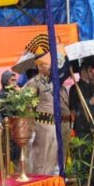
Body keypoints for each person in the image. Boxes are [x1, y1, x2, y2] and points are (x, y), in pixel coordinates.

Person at [24, 35, 60, 175]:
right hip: (41, 123)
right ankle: (38, 181)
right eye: (46, 63)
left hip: (52, 123)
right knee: (40, 156)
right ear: (39, 66)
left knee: (52, 155)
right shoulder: (34, 83)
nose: (50, 65)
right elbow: (27, 105)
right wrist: (30, 126)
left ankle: (48, 182)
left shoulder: (51, 82)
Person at [0, 70, 22, 165]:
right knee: (6, 154)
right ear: (6, 81)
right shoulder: (0, 95)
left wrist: (20, 96)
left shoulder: (17, 94)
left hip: (17, 130)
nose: (15, 83)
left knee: (18, 155)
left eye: (15, 80)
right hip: (6, 130)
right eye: (12, 80)